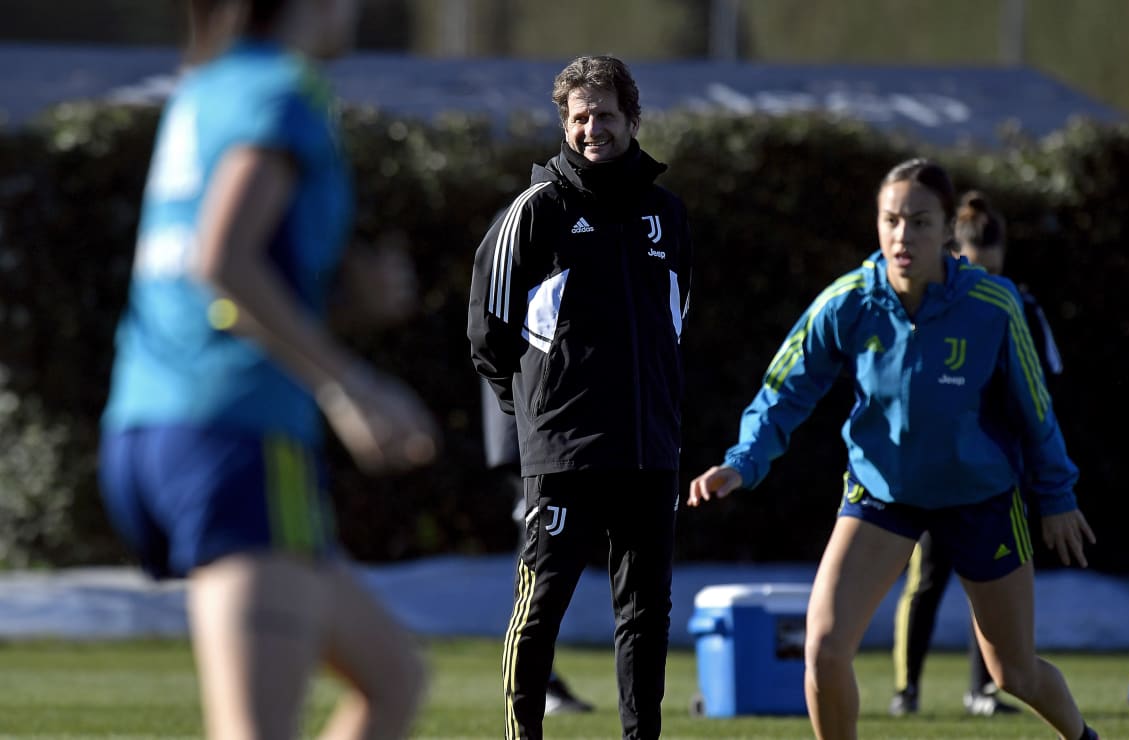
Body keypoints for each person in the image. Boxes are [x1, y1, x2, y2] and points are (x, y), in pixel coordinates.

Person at [97, 1, 442, 738]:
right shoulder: (286, 88)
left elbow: (219, 279)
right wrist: (350, 385)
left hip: (154, 425)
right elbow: (221, 261)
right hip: (237, 433)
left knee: (392, 678)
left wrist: (349, 304)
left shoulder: (206, 85)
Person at [688, 158, 1099, 740]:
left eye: (920, 222)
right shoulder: (848, 302)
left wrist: (1058, 497)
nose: (903, 236)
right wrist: (742, 461)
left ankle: (1084, 737)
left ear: (947, 230)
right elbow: (783, 391)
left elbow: (1037, 412)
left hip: (981, 498)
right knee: (825, 652)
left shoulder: (994, 305)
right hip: (882, 495)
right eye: (891, 220)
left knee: (1014, 673)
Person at [467, 54, 692, 740]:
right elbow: (488, 333)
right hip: (563, 452)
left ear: (632, 120)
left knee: (647, 613)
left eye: (606, 115)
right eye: (581, 116)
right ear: (565, 123)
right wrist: (538, 414)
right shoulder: (536, 212)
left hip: (649, 451)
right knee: (541, 606)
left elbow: (678, 320)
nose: (594, 128)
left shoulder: (667, 215)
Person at [889, 189, 1067, 718]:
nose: (985, 282)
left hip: (995, 479)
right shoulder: (926, 304)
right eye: (975, 268)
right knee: (925, 580)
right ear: (953, 255)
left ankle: (985, 687)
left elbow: (1043, 393)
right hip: (934, 474)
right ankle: (907, 689)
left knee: (987, 586)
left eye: (995, 269)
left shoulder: (1018, 306)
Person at [480, 380, 595, 716]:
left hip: (541, 426)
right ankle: (535, 682)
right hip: (532, 427)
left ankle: (539, 678)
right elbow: (487, 339)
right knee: (538, 560)